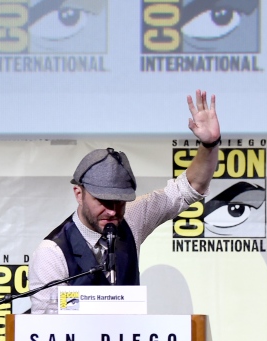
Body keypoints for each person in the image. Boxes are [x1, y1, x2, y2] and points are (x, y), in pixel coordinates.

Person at [29, 89, 221, 314]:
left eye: (119, 201)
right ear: (79, 194)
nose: (111, 211)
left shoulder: (132, 217)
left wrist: (209, 145)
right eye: (102, 201)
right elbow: (46, 332)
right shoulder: (52, 253)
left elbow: (188, 189)